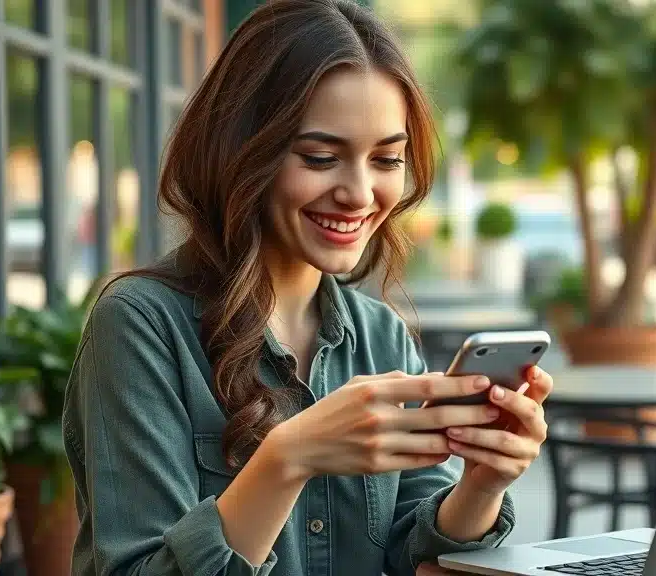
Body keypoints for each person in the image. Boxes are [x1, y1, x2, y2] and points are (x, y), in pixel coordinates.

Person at [61, 2, 552, 575]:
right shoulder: (140, 326)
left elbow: (416, 556)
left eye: (387, 158)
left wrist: (481, 487)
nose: (360, 193)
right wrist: (289, 457)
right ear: (243, 150)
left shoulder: (379, 336)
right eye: (321, 157)